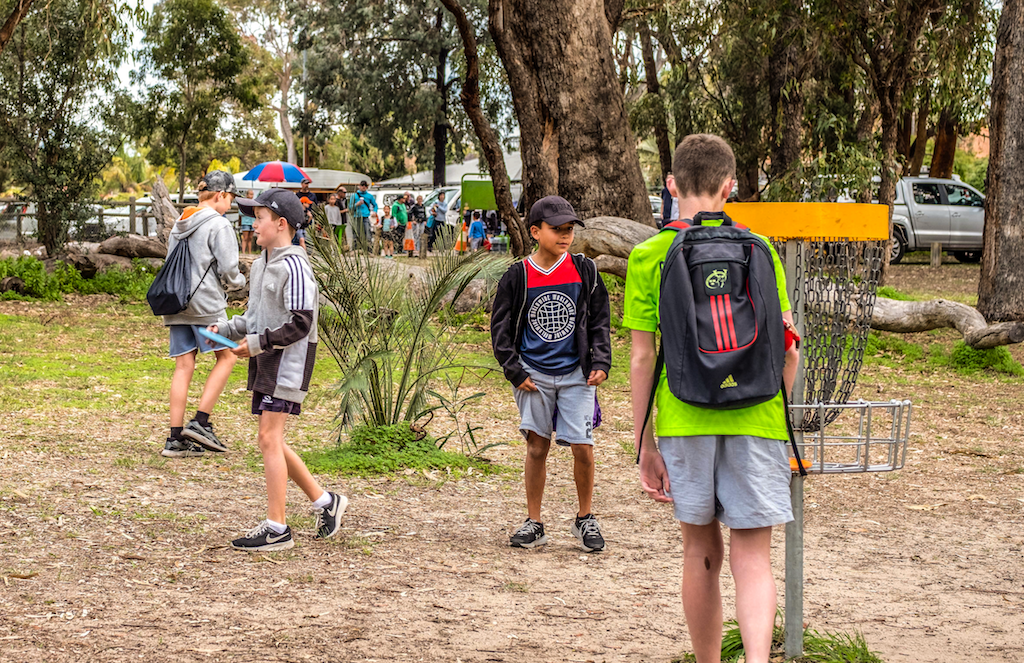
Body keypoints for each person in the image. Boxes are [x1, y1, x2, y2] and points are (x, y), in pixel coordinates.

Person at [625, 134, 800, 663]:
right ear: (731, 187)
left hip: (684, 416)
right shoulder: (762, 250)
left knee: (700, 551)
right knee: (753, 557)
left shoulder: (649, 254)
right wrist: (772, 411)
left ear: (672, 185)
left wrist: (645, 444)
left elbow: (640, 358)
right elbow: (788, 352)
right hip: (759, 420)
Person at [209, 188, 347, 551]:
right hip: (268, 358)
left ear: (281, 224)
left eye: (260, 217)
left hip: (289, 361)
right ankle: (325, 502)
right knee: (273, 439)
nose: (253, 224)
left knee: (268, 438)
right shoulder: (261, 264)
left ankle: (277, 528)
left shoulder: (295, 266)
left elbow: (301, 323)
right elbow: (254, 318)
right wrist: (224, 330)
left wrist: (255, 344)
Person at [490, 195, 612, 552]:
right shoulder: (519, 275)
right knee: (537, 447)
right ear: (535, 232)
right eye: (557, 229)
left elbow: (600, 319)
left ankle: (585, 518)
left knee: (583, 447)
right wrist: (514, 371)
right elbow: (499, 328)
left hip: (577, 374)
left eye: (569, 229)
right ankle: (534, 522)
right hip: (533, 376)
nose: (565, 236)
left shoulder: (583, 270)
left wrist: (601, 361)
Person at [161, 170, 246, 458]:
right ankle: (201, 421)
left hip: (176, 305)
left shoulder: (180, 221)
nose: (231, 204)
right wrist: (240, 284)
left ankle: (175, 439)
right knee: (229, 355)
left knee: (184, 365)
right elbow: (229, 270)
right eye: (231, 198)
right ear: (221, 195)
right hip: (206, 306)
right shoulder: (218, 225)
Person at [353, 181, 377, 251]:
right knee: (356, 233)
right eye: (362, 185)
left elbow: (375, 205)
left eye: (365, 186)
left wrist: (374, 211)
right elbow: (350, 207)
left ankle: (368, 249)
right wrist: (356, 204)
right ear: (359, 186)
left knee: (368, 233)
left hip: (365, 217)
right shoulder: (354, 196)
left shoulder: (369, 196)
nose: (364, 187)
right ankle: (356, 249)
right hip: (356, 217)